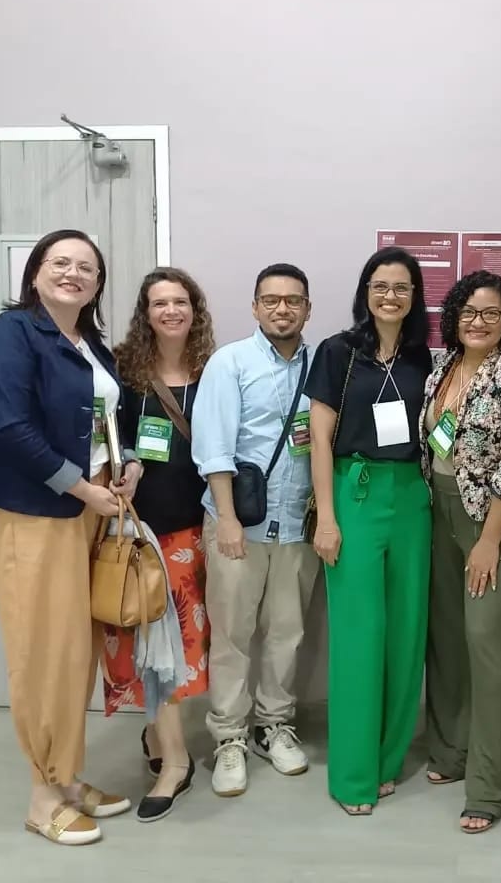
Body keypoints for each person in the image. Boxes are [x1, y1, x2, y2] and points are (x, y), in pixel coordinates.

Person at [0, 229, 138, 845]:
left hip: (91, 508)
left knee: (75, 653)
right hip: (36, 512)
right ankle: (43, 797)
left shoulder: (89, 345)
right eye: (59, 262)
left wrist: (126, 466)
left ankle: (66, 776)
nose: (73, 273)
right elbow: (9, 428)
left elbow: (107, 419)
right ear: (35, 272)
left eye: (86, 267)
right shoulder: (10, 333)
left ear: (97, 284)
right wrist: (82, 488)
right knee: (42, 653)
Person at [306, 246, 433, 816]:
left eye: (401, 287)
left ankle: (387, 760)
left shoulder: (423, 357)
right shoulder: (338, 352)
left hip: (412, 497)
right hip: (353, 495)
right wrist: (327, 518)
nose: (390, 296)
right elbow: (319, 440)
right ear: (365, 292)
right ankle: (353, 775)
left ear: (415, 296)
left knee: (406, 633)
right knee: (360, 636)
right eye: (380, 286)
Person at [420, 271, 501, 834]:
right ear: (453, 316)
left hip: (495, 521)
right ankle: (451, 752)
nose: (478, 322)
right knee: (447, 639)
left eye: (491, 313)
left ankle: (491, 788)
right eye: (469, 312)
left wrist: (490, 540)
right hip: (441, 513)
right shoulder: (441, 368)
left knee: (487, 645)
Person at [191, 264, 319, 797]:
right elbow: (214, 447)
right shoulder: (231, 362)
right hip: (238, 524)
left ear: (307, 308)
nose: (282, 309)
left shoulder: (322, 365)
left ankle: (274, 725)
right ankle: (229, 736)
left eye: (292, 300)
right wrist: (226, 519)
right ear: (254, 307)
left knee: (287, 633)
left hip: (297, 526)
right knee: (233, 635)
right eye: (271, 300)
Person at [104, 267, 216, 821]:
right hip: (142, 533)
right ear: (145, 314)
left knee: (181, 647)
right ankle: (176, 761)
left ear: (195, 310)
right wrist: (127, 465)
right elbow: (112, 438)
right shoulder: (124, 370)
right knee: (153, 645)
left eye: (180, 302)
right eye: (159, 303)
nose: (171, 311)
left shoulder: (213, 370)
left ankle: (158, 734)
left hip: (199, 529)